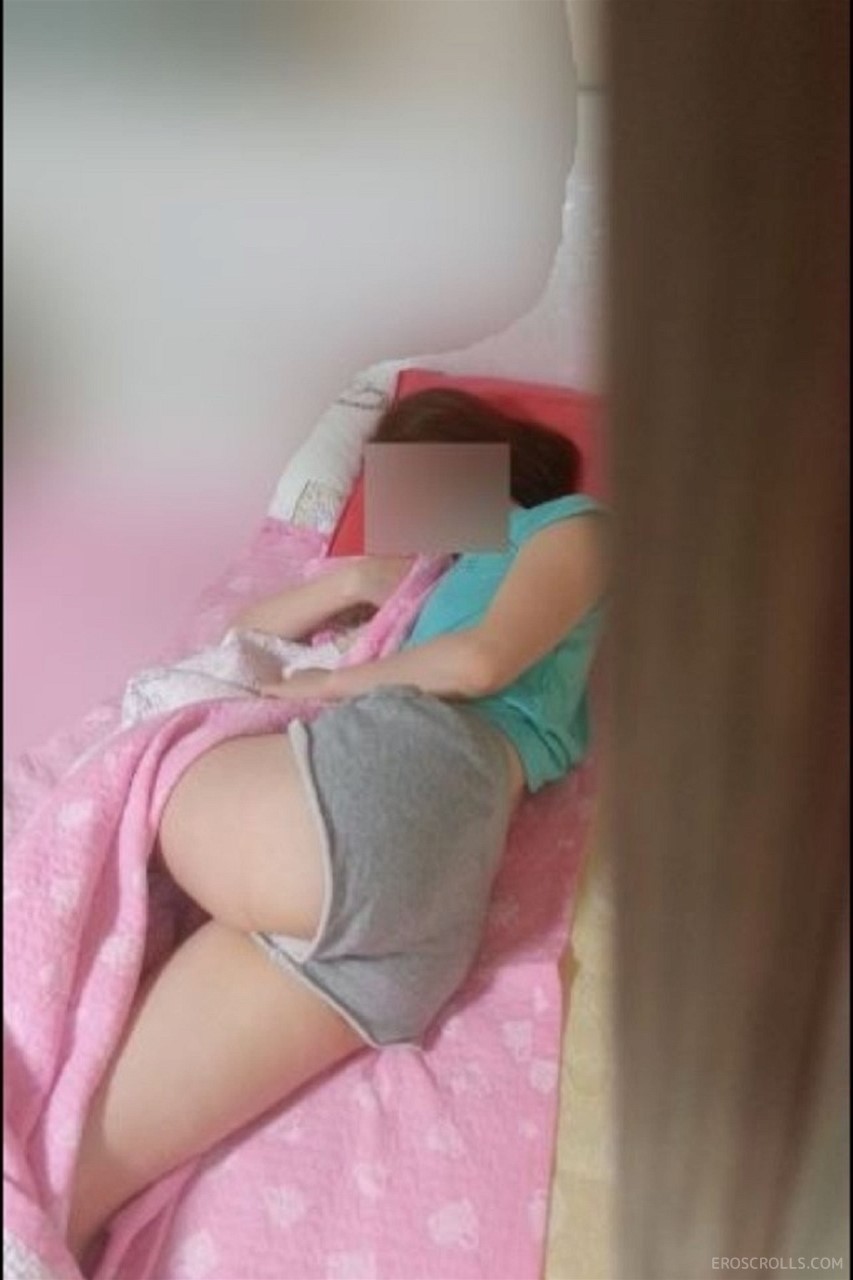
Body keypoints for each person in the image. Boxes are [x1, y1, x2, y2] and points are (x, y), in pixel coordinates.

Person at [66, 388, 608, 1267]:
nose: (398, 507)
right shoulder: (426, 584)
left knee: (144, 751)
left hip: (392, 788)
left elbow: (480, 662)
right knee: (74, 1183)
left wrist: (317, 688)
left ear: (484, 464)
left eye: (411, 477)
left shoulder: (568, 526)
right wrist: (356, 581)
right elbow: (241, 633)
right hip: (408, 920)